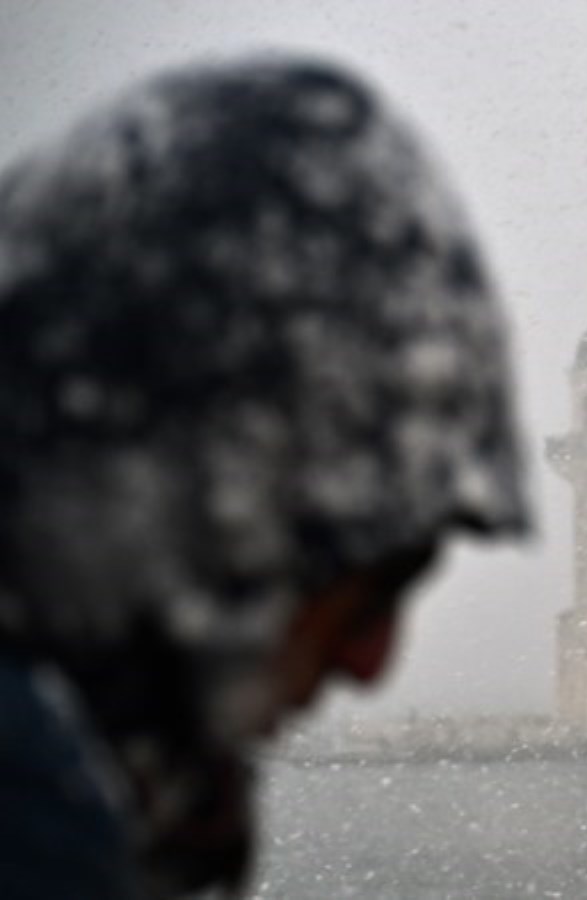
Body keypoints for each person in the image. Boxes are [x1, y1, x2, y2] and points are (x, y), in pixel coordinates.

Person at [0, 55, 528, 897]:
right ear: (188, 511)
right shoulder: (32, 822)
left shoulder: (93, 795)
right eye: (358, 577)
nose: (372, 662)